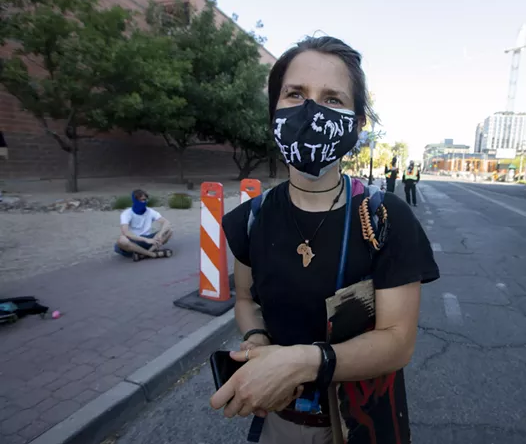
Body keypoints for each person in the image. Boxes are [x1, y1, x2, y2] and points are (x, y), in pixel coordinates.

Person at [211, 36, 440, 444]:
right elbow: (245, 300)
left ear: (357, 123)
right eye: (295, 94)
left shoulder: (387, 218)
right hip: (281, 424)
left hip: (363, 426)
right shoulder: (251, 220)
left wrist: (302, 362)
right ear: (274, 111)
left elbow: (398, 341)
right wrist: (256, 339)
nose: (311, 112)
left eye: (332, 99)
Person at [114, 189, 173, 261]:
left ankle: (144, 254)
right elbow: (126, 232)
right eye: (140, 200)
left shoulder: (150, 211)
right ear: (135, 201)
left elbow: (167, 223)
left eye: (144, 200)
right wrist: (146, 240)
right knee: (121, 240)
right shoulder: (127, 213)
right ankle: (152, 254)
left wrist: (160, 234)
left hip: (149, 240)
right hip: (134, 242)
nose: (143, 202)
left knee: (169, 231)